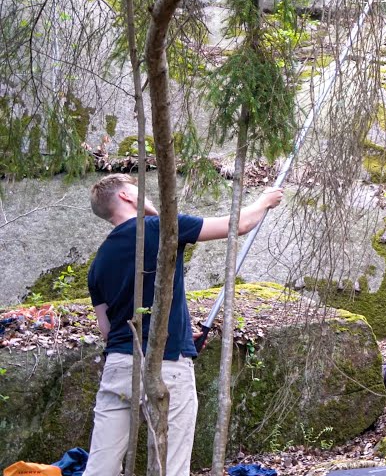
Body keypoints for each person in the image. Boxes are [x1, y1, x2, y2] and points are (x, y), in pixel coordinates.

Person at [84, 174, 284, 476]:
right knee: (171, 467)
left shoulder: (98, 262)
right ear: (126, 197)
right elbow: (237, 225)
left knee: (100, 468)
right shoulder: (160, 228)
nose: (146, 196)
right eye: (139, 191)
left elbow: (108, 330)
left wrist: (176, 333)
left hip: (119, 366)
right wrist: (265, 201)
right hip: (167, 367)